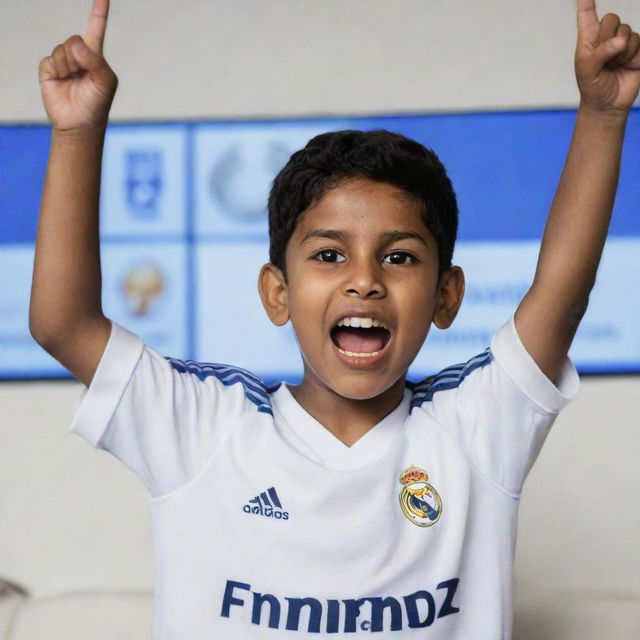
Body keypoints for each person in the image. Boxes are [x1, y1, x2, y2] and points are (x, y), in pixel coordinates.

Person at [29, 0, 639, 637]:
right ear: (278, 292)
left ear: (446, 297)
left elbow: (562, 296)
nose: (364, 280)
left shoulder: (477, 428)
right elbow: (61, 323)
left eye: (399, 256)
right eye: (328, 254)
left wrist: (602, 114)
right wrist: (76, 132)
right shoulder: (203, 428)